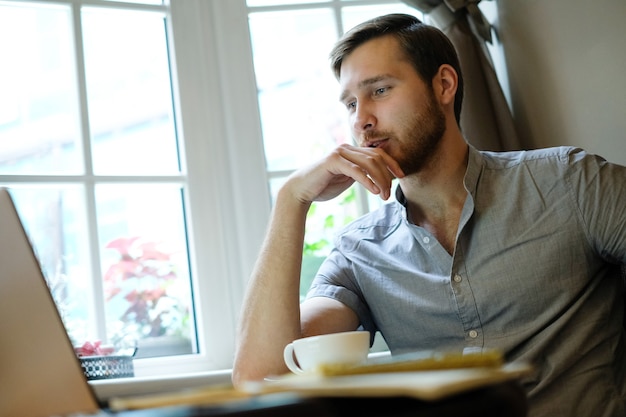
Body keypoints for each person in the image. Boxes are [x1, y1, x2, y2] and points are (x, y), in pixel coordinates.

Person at [232, 13, 626, 417]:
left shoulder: (570, 182)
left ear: (443, 85)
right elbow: (262, 377)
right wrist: (290, 200)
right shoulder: (359, 252)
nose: (360, 120)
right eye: (350, 103)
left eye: (380, 91)